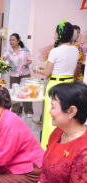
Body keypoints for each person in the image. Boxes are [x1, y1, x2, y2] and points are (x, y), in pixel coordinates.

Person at [29, 81, 87, 183]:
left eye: (53, 107)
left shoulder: (83, 151)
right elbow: (45, 173)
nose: (49, 111)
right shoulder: (57, 133)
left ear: (71, 111)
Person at [33, 20, 78, 150]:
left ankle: (49, 147)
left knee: (51, 118)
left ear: (59, 35)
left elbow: (47, 73)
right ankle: (65, 146)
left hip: (55, 85)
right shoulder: (75, 51)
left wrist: (36, 70)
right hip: (70, 85)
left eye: (55, 33)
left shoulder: (55, 51)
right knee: (67, 117)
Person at [2, 33, 33, 117]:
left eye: (13, 40)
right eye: (10, 40)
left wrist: (27, 62)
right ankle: (15, 111)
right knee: (15, 93)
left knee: (27, 92)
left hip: (25, 74)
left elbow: (30, 59)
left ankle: (28, 111)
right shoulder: (8, 51)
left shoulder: (24, 49)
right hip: (14, 75)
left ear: (18, 41)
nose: (11, 42)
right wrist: (2, 60)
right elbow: (4, 57)